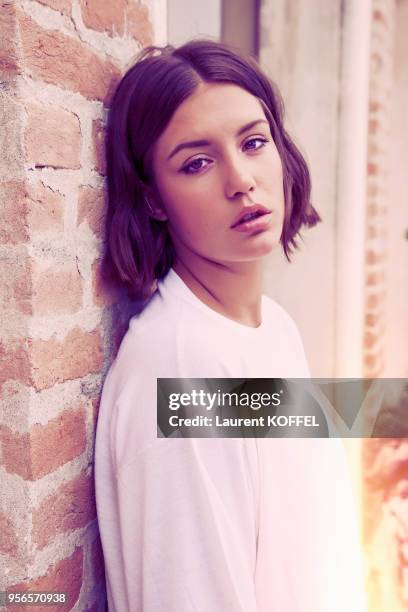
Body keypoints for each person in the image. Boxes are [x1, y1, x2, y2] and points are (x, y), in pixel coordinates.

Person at [94, 39, 366, 611]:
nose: (241, 179)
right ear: (154, 199)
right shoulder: (180, 368)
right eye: (196, 162)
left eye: (253, 141)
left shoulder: (272, 326)